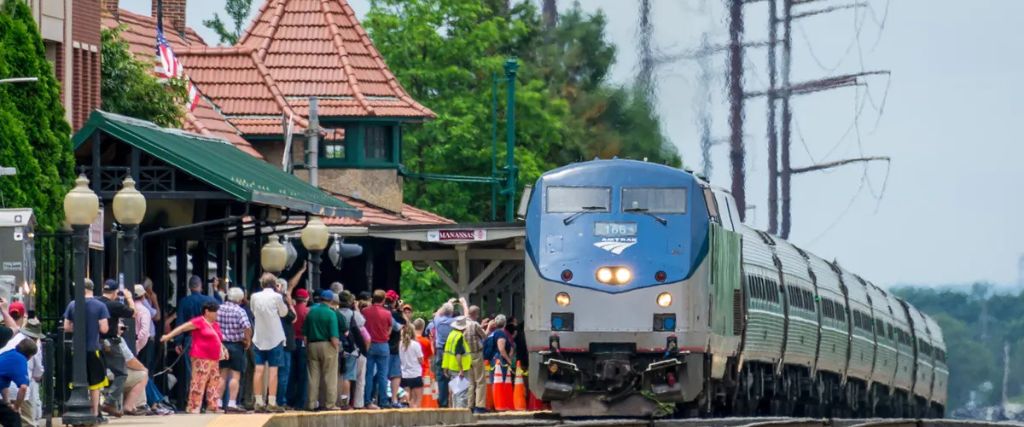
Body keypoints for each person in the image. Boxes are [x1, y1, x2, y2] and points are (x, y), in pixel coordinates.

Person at [161, 301, 223, 414]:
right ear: (207, 312)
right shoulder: (199, 321)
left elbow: (218, 339)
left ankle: (212, 406)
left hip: (214, 358)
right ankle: (193, 406)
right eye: (215, 312)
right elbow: (182, 328)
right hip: (201, 356)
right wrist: (168, 336)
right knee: (199, 381)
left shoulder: (215, 324)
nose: (217, 314)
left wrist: (223, 350)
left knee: (214, 382)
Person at [62, 278, 110, 420]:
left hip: (77, 349)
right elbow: (104, 328)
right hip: (93, 348)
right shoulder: (100, 306)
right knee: (95, 383)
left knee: (76, 380)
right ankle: (95, 412)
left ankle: (75, 407)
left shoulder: (72, 305)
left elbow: (67, 327)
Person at [249, 273, 288, 412]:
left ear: (262, 284)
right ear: (275, 285)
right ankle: (272, 402)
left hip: (259, 337)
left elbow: (253, 311)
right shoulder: (277, 297)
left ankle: (258, 401)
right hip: (275, 338)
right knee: (273, 371)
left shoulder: (254, 297)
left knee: (258, 370)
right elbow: (284, 313)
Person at [96, 279, 135, 417]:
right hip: (110, 342)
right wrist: (129, 298)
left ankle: (96, 407)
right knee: (121, 373)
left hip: (95, 342)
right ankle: (110, 402)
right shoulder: (114, 305)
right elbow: (133, 313)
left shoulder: (96, 302)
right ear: (114, 292)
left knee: (98, 374)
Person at [174, 276, 216, 401]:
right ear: (200, 285)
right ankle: (206, 400)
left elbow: (181, 323)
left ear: (189, 287)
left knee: (191, 371)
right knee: (207, 369)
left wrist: (178, 341)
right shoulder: (209, 300)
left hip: (191, 339)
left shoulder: (184, 302)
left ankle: (193, 400)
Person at [0, 319, 42, 426]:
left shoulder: (9, 351)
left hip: (5, 394)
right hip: (19, 393)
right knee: (20, 421)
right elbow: (23, 387)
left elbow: (3, 382)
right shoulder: (21, 359)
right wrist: (16, 407)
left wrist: (7, 402)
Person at [303, 290, 340, 411]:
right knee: (330, 376)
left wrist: (307, 346)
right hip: (327, 345)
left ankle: (311, 403)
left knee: (313, 376)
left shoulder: (311, 312)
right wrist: (337, 349)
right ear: (331, 300)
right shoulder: (331, 313)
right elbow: (334, 336)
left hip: (312, 345)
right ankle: (330, 404)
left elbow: (305, 335)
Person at [216, 287, 251, 413]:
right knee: (235, 375)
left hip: (222, 345)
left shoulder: (219, 308)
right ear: (240, 299)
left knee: (222, 374)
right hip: (236, 345)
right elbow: (247, 327)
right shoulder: (239, 311)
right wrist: (248, 341)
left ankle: (218, 402)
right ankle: (232, 403)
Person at [361, 290, 392, 409]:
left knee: (368, 374)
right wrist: (386, 335)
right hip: (383, 344)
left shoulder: (365, 311)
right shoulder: (387, 313)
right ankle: (383, 401)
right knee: (383, 375)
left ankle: (367, 400)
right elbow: (390, 327)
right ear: (384, 300)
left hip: (369, 344)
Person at [335, 291, 364, 409]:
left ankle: (335, 401)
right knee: (347, 376)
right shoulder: (354, 314)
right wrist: (356, 308)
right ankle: (344, 402)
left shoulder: (334, 313)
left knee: (337, 375)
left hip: (336, 345)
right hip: (350, 348)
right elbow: (362, 323)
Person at [274, 278, 297, 409]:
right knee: (283, 373)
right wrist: (289, 303)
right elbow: (293, 318)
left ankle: (271, 399)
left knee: (272, 371)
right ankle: (280, 400)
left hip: (271, 340)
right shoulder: (282, 301)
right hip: (285, 341)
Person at [116, 325, 149, 416]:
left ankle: (138, 405)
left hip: (107, 372)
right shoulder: (117, 339)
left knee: (136, 374)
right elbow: (130, 361)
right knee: (143, 374)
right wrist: (143, 368)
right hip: (113, 374)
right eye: (121, 326)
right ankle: (131, 406)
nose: (123, 329)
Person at [431, 300, 457, 407]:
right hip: (452, 351)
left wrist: (447, 303)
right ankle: (456, 401)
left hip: (440, 351)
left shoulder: (438, 321)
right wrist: (462, 304)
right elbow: (466, 317)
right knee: (455, 375)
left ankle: (443, 402)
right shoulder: (455, 322)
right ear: (452, 312)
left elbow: (437, 313)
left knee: (441, 377)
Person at [288, 281, 310, 409]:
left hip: (291, 341)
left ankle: (289, 399)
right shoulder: (307, 311)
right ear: (306, 298)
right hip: (302, 342)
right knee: (302, 374)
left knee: (291, 372)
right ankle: (300, 402)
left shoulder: (292, 310)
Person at [384, 291, 407, 407]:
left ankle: (384, 398)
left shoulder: (384, 312)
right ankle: (393, 399)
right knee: (395, 374)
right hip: (393, 348)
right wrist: (401, 310)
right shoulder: (394, 314)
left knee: (385, 374)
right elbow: (404, 323)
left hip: (387, 346)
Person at [463, 304, 487, 413]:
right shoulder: (475, 324)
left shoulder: (462, 324)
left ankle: (470, 405)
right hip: (477, 354)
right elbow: (484, 336)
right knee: (480, 381)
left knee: (471, 382)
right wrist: (489, 327)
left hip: (467, 356)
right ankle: (480, 406)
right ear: (476, 314)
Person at [442, 317, 471, 408]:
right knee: (461, 394)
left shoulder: (451, 335)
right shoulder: (460, 337)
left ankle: (455, 412)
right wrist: (461, 369)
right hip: (459, 369)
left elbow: (446, 352)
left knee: (456, 393)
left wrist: (445, 367)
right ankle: (461, 415)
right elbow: (458, 354)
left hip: (451, 367)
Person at [398, 324, 424, 408]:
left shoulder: (399, 344)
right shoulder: (415, 344)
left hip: (404, 374)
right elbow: (421, 360)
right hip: (416, 374)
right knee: (417, 399)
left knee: (406, 399)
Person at [131, 285, 152, 362]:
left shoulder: (128, 307)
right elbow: (144, 330)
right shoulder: (144, 310)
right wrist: (138, 344)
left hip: (132, 340)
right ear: (143, 296)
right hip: (141, 344)